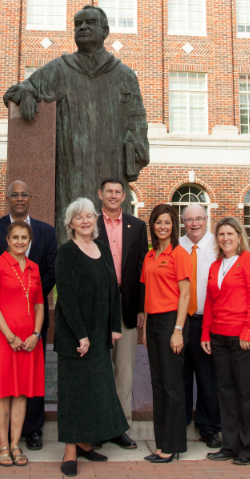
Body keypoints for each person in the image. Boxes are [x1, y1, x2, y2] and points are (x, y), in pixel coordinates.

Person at [3, 5, 149, 244]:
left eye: (89, 23)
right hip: (70, 168)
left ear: (105, 30)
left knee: (111, 234)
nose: (82, 27)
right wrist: (27, 93)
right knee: (68, 227)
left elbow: (138, 122)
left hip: (110, 164)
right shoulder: (60, 69)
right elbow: (17, 89)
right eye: (78, 24)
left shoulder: (124, 75)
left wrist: (134, 150)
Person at [55, 198, 128, 477]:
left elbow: (113, 289)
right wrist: (81, 334)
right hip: (75, 335)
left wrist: (114, 326)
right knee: (74, 393)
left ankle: (85, 442)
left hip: (99, 334)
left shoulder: (102, 248)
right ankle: (70, 451)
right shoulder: (67, 252)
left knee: (95, 390)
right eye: (79, 217)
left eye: (89, 216)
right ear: (70, 223)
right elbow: (67, 299)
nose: (85, 221)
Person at [0, 180, 57, 450]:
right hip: (3, 321)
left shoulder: (46, 232)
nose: (20, 198)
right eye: (15, 195)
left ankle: (32, 429)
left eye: (25, 194)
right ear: (7, 198)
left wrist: (29, 291)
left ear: (31, 197)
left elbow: (50, 271)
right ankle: (4, 437)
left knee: (30, 383)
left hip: (32, 320)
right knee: (4, 383)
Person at [0, 220, 45, 467]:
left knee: (22, 394)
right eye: (15, 237)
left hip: (28, 341)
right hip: (4, 339)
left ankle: (16, 444)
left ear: (30, 241)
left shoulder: (35, 268)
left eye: (24, 238)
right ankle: (3, 445)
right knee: (3, 393)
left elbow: (39, 305)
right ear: (7, 240)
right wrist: (10, 336)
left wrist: (36, 335)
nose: (19, 242)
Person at [201, 217, 250, 466]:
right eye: (221, 234)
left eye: (230, 233)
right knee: (225, 392)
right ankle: (230, 445)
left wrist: (248, 330)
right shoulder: (216, 266)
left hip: (245, 337)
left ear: (240, 236)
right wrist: (206, 333)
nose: (225, 238)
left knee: (247, 393)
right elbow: (209, 302)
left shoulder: (249, 261)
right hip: (219, 337)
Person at [91, 177, 148, 450]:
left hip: (126, 304)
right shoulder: (89, 222)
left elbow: (141, 270)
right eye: (109, 192)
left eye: (118, 192)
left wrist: (140, 308)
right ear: (100, 194)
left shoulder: (137, 226)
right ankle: (100, 426)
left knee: (124, 370)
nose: (113, 196)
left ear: (124, 196)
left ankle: (121, 427)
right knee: (101, 369)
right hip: (99, 305)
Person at [141, 204, 192, 463]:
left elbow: (185, 294)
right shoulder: (150, 256)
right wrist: (146, 329)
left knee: (173, 386)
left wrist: (178, 330)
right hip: (153, 325)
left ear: (174, 226)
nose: (163, 226)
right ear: (152, 226)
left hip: (173, 321)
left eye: (167, 222)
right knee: (158, 385)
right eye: (158, 222)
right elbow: (148, 292)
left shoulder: (179, 254)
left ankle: (173, 445)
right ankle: (161, 443)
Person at [178, 205, 222, 449]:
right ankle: (181, 423)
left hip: (208, 321)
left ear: (207, 219)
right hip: (181, 322)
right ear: (182, 222)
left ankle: (209, 427)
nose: (194, 224)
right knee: (181, 376)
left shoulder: (219, 244)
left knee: (208, 378)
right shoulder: (176, 245)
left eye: (199, 219)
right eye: (189, 220)